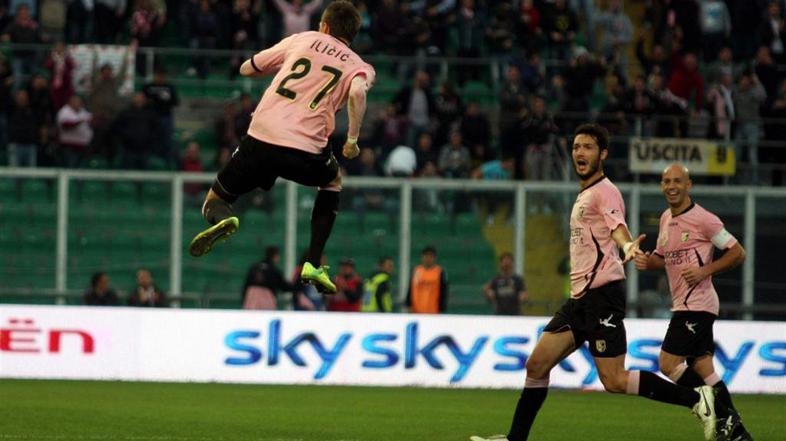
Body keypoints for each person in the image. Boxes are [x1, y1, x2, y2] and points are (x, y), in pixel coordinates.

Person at [470, 124, 724, 441]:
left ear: (602, 154)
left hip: (602, 296)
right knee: (536, 365)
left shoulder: (606, 191)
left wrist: (628, 246)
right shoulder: (585, 193)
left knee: (614, 380)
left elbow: (618, 227)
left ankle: (696, 399)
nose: (580, 152)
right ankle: (515, 439)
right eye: (576, 146)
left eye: (588, 147)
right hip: (579, 300)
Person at [188, 0, 375, 297]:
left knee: (214, 200)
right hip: (305, 150)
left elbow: (248, 68)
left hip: (261, 137)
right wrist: (352, 139)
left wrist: (263, 67)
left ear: (324, 26)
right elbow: (357, 93)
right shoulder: (360, 66)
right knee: (332, 180)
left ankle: (223, 218)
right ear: (352, 34)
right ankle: (313, 262)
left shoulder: (303, 39)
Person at [635, 163, 749, 441]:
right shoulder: (665, 218)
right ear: (662, 186)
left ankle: (719, 412)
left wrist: (704, 270)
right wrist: (646, 261)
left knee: (668, 363)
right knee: (703, 369)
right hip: (687, 304)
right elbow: (663, 259)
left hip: (697, 305)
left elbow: (738, 253)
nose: (671, 186)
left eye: (677, 181)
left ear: (689, 185)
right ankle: (738, 433)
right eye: (666, 181)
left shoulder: (704, 219)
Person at [142, 67, 179, 166]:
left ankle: (168, 162)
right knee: (149, 139)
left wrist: (163, 100)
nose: (160, 78)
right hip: (150, 118)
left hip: (165, 117)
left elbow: (175, 102)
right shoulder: (148, 87)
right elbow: (142, 101)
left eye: (162, 76)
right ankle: (148, 161)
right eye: (158, 75)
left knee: (167, 140)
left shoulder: (169, 87)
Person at [406, 246, 448, 314]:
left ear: (434, 258)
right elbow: (410, 289)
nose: (428, 259)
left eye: (430, 256)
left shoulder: (440, 272)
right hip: (416, 311)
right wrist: (408, 305)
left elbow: (444, 291)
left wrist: (442, 308)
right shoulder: (416, 271)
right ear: (422, 257)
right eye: (426, 256)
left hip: (433, 311)